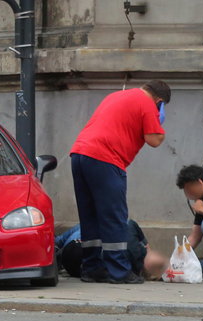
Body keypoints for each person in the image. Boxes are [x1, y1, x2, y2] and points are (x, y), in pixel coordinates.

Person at [69, 80, 171, 284]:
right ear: (159, 101)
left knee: (90, 216)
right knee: (114, 215)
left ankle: (92, 268)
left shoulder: (116, 96)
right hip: (105, 159)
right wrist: (159, 120)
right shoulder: (147, 103)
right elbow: (154, 139)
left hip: (80, 154)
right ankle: (120, 271)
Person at [55, 219, 169, 281]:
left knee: (94, 225)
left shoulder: (134, 241)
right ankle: (57, 249)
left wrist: (145, 243)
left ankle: (56, 242)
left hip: (79, 241)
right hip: (72, 261)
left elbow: (129, 223)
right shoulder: (130, 271)